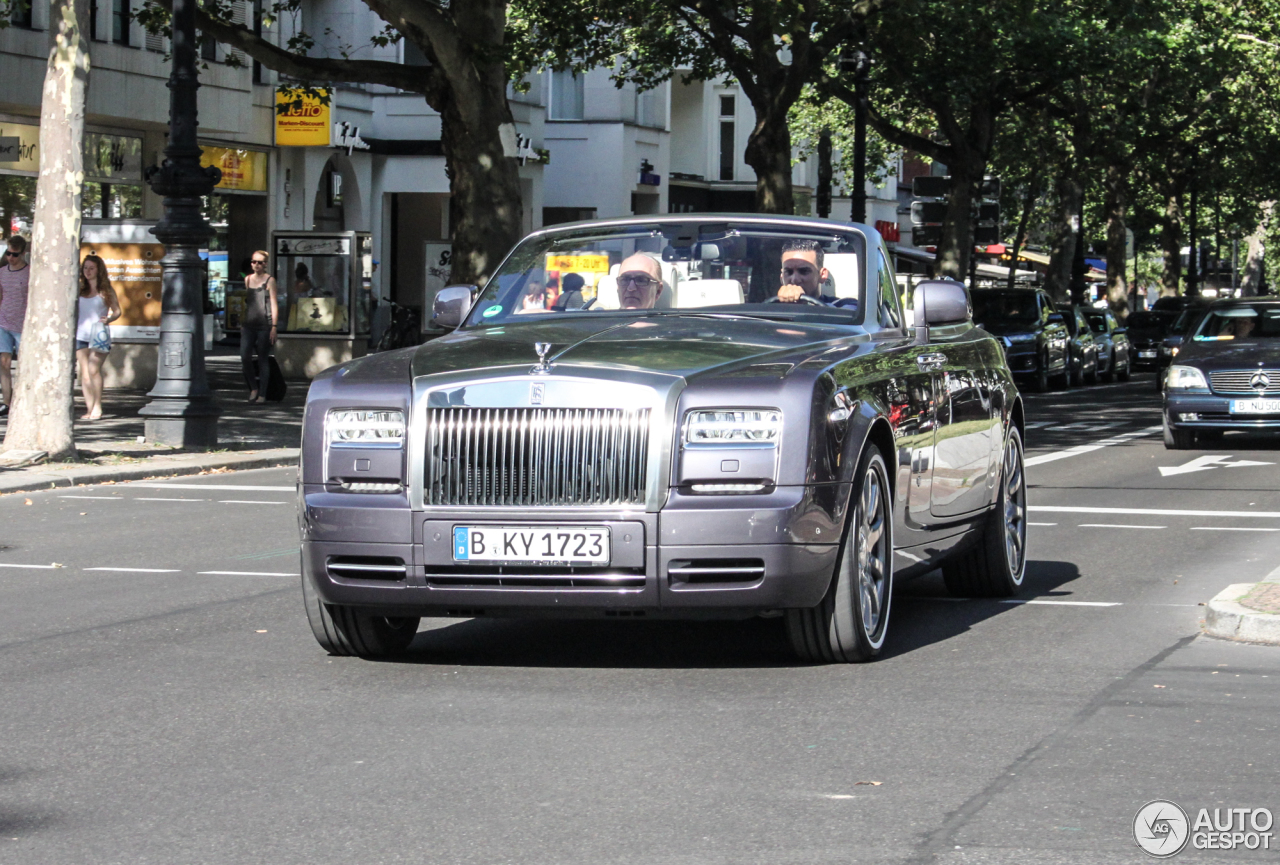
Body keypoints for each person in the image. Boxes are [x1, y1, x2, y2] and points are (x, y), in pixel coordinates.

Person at [75, 254, 122, 420]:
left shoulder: (106, 291)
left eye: (91, 268)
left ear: (98, 270)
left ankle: (97, 406)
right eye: (85, 268)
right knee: (85, 372)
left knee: (94, 369)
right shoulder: (80, 289)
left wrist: (108, 319)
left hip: (98, 335)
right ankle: (89, 409)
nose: (88, 271)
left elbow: (117, 311)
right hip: (80, 334)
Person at [242, 249, 278, 403]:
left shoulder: (270, 280)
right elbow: (247, 301)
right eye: (254, 261)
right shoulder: (248, 279)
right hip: (248, 324)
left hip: (264, 324)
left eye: (260, 262)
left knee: (263, 358)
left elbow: (274, 304)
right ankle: (253, 388)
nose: (256, 265)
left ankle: (262, 393)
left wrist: (274, 327)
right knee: (244, 357)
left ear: (265, 264)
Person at [775, 239, 856, 308]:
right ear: (781, 277)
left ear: (822, 275)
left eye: (804, 271)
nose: (795, 279)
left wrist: (806, 305)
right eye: (789, 272)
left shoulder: (843, 305)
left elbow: (853, 314)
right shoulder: (768, 309)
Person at [0, 234, 30, 415]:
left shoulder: (30, 272)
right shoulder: (2, 272)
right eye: (8, 253)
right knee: (4, 363)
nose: (11, 258)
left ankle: (24, 400)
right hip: (3, 322)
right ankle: (7, 401)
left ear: (23, 253)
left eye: (15, 254)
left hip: (23, 324)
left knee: (25, 364)